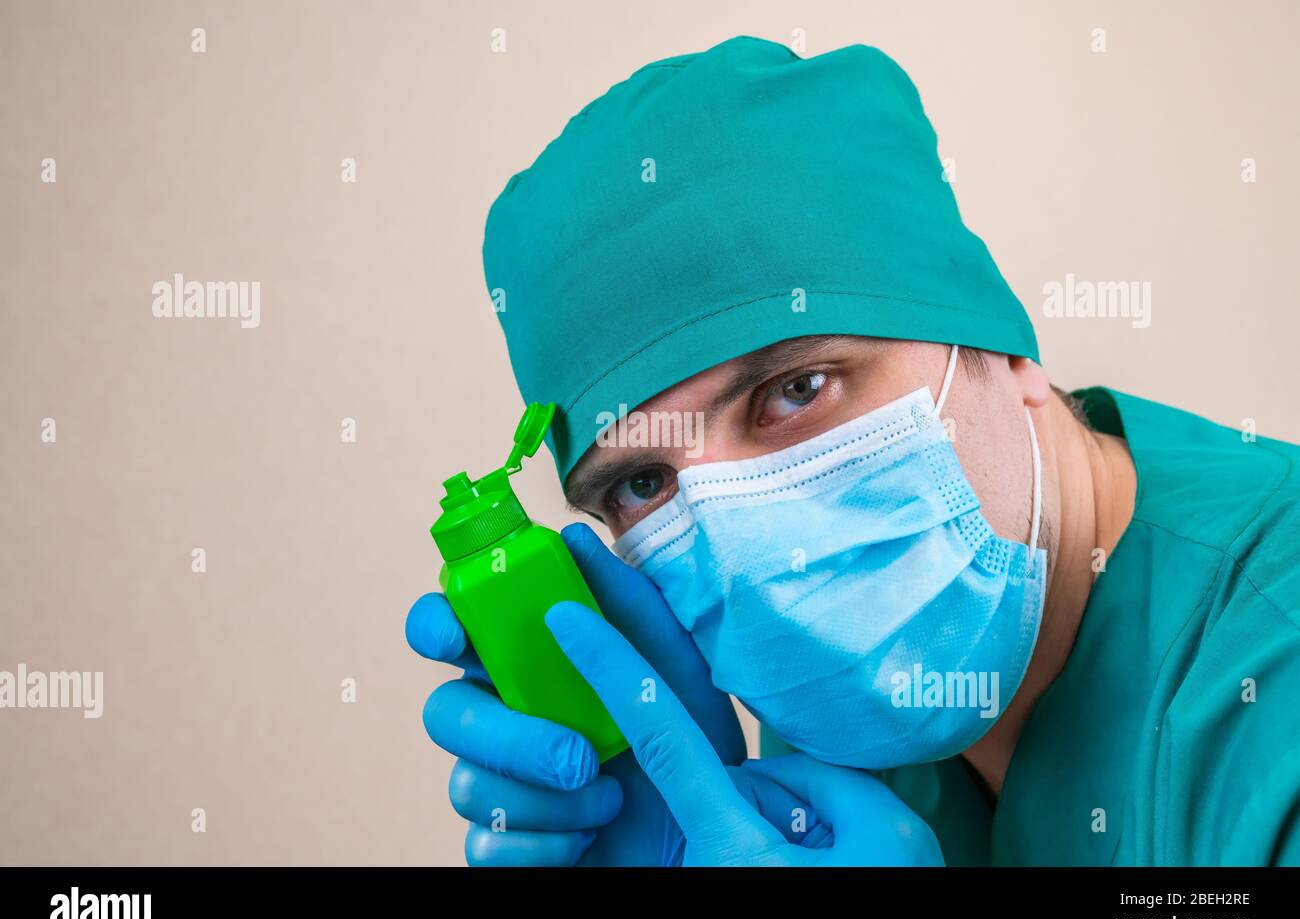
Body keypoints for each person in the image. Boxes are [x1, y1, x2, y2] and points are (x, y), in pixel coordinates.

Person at [405, 36, 1300, 865]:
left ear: (1001, 345)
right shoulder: (829, 717)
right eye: (643, 480)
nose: (751, 545)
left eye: (796, 390)